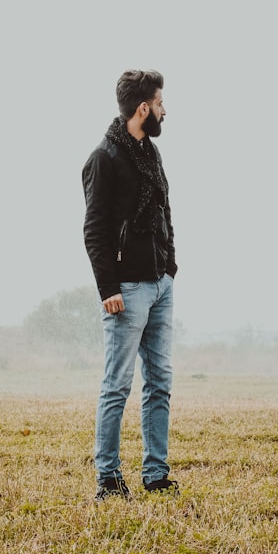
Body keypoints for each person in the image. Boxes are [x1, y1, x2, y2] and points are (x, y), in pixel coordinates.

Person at [82, 69, 179, 501]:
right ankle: (108, 479)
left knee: (159, 382)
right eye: (159, 104)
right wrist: (109, 290)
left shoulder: (150, 153)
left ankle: (155, 476)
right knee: (117, 385)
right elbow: (95, 230)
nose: (164, 110)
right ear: (143, 109)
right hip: (126, 290)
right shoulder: (104, 158)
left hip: (159, 285)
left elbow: (164, 210)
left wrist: (170, 266)